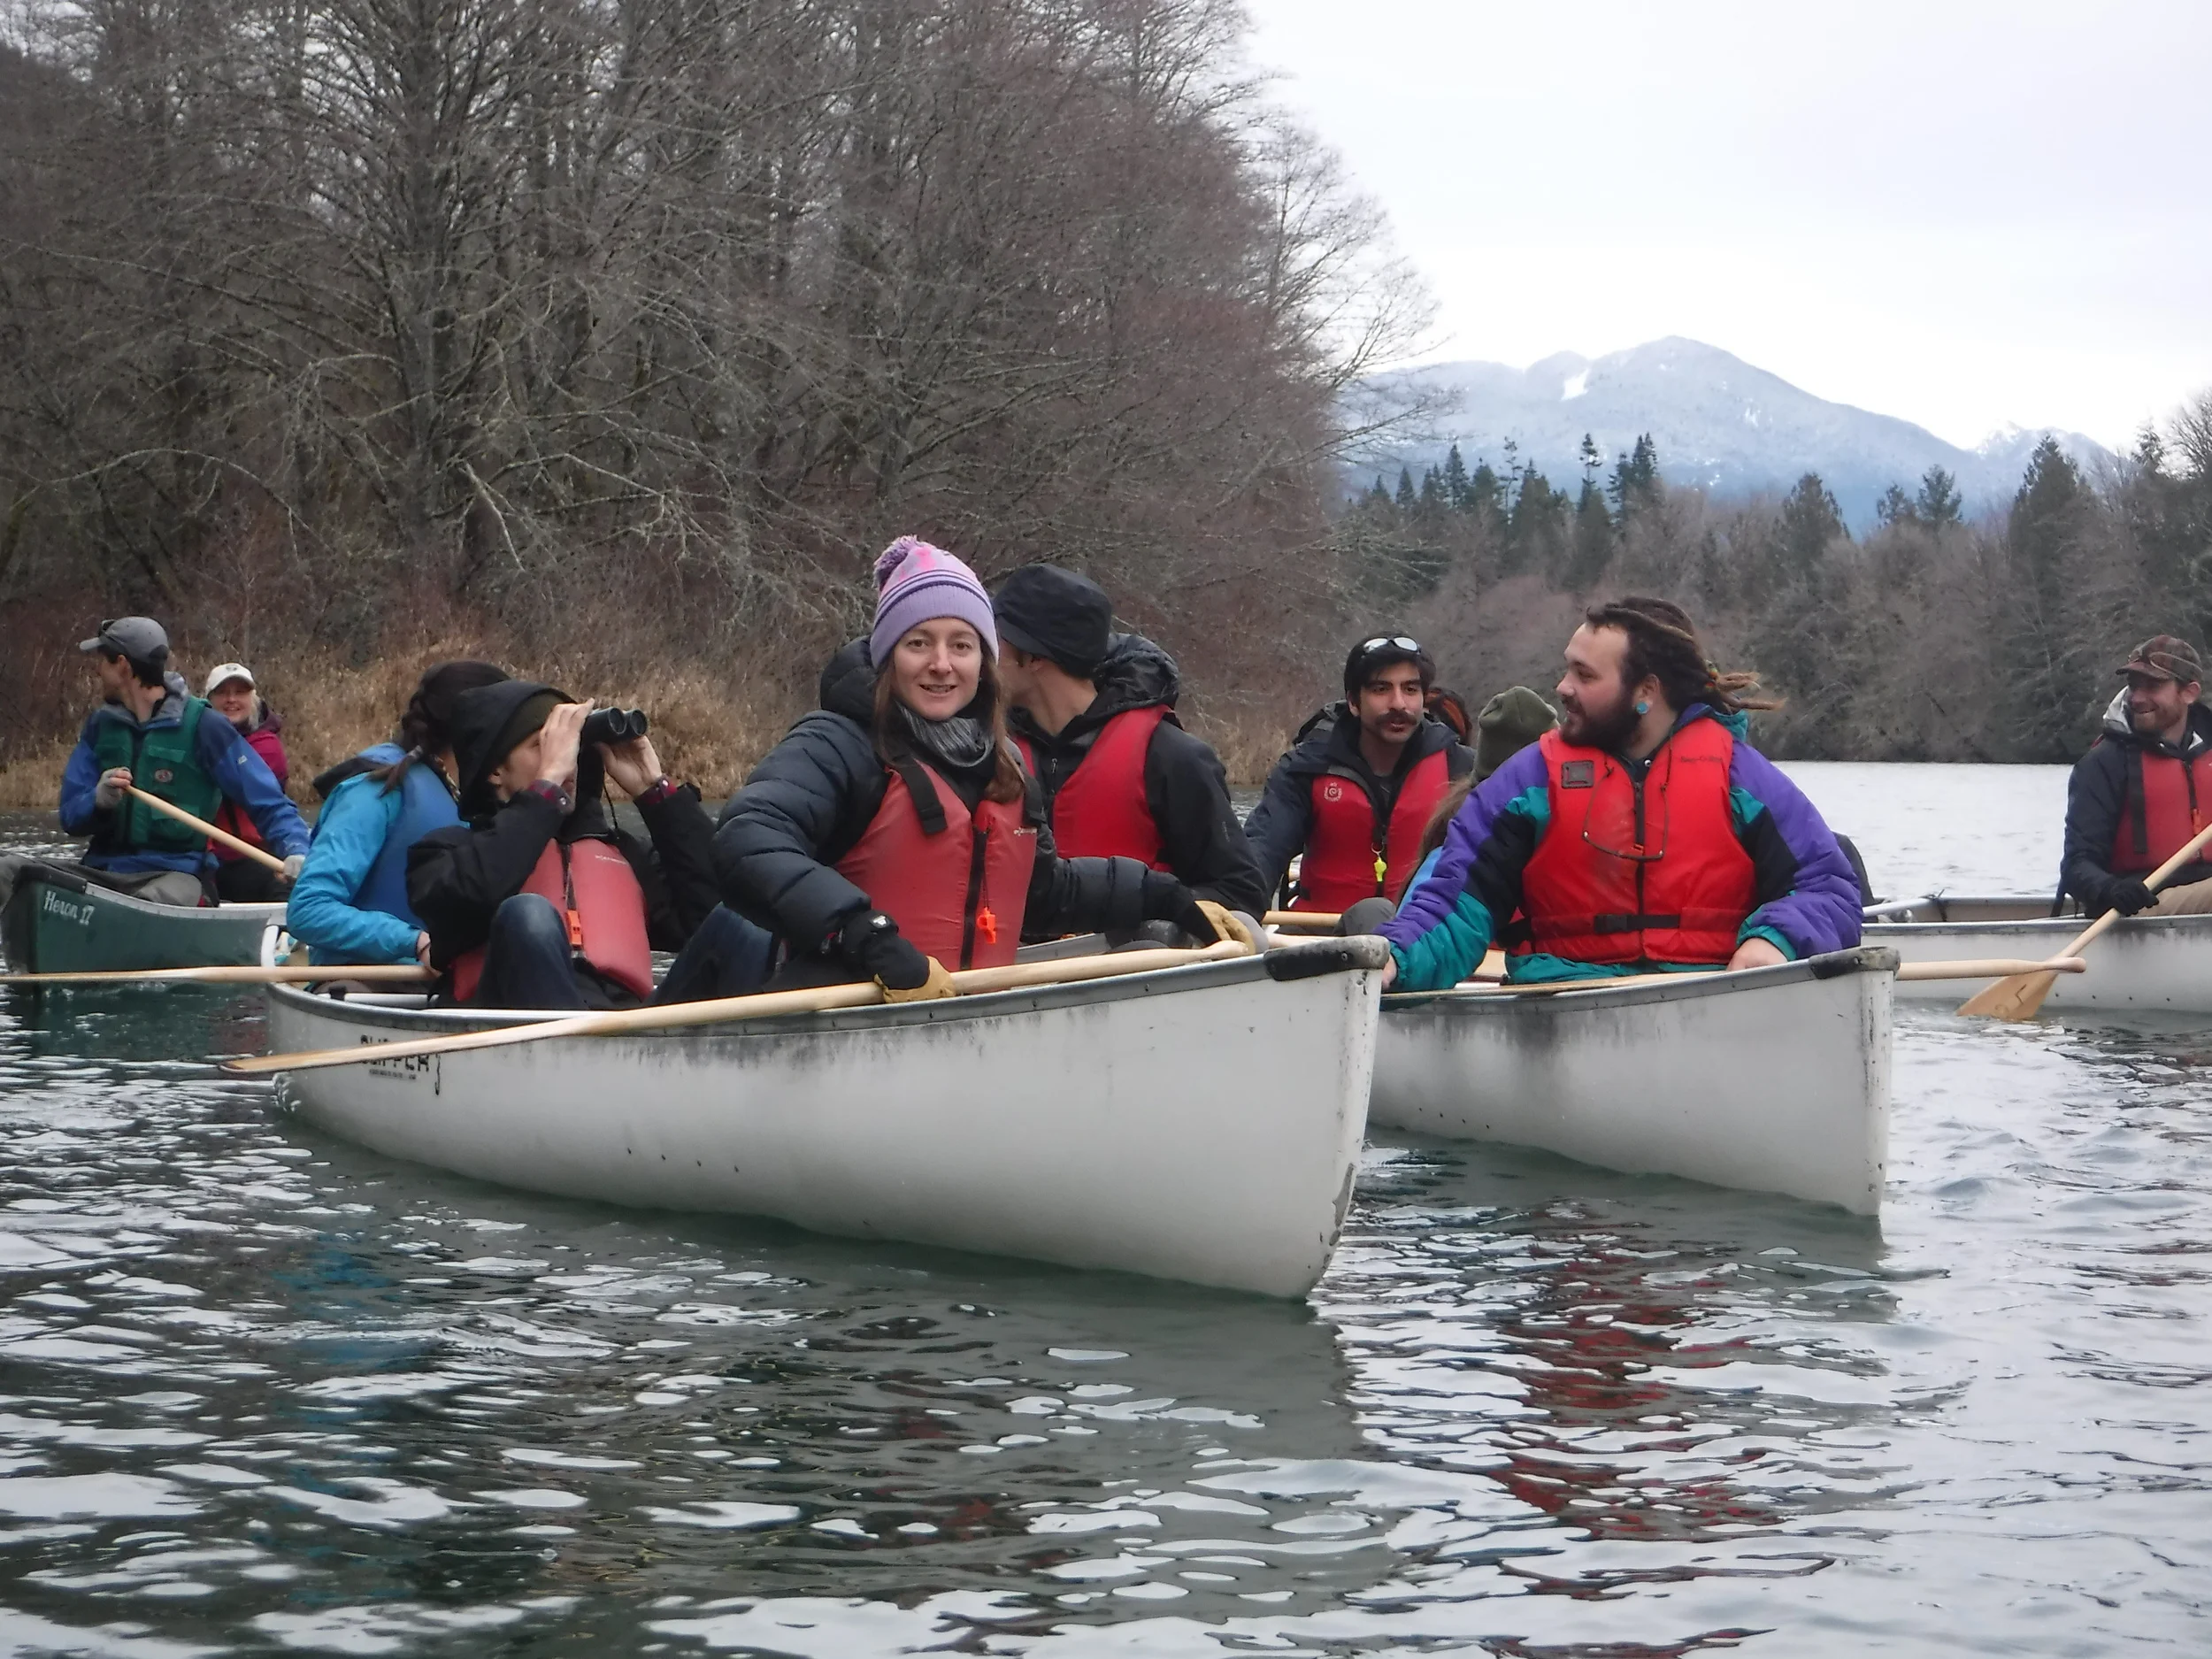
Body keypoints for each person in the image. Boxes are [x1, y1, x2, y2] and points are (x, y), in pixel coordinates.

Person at [714, 536, 1235, 998]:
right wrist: (865, 934)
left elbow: (1044, 892)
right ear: (887, 655)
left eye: (961, 645)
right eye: (918, 643)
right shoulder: (837, 743)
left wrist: (1165, 895)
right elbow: (748, 839)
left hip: (965, 1018)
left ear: (982, 663)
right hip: (851, 1019)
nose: (941, 664)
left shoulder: (1001, 762)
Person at [1381, 597, 1862, 990]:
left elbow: (1827, 889)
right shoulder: (1527, 783)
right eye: (1568, 670)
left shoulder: (1743, 777)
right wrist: (1395, 959)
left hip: (1710, 993)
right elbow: (1451, 902)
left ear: (1645, 691)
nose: (1562, 688)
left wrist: (1775, 941)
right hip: (1562, 998)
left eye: (1584, 676)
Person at [406, 680, 768, 1009]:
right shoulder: (444, 853)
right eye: (543, 747)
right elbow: (476, 890)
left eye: (571, 749)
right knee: (528, 915)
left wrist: (658, 796)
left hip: (630, 1037)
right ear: (495, 770)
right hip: (521, 1039)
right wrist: (546, 788)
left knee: (742, 918)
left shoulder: (623, 855)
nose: (568, 762)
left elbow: (710, 908)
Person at [992, 563, 1266, 918]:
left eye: (994, 640)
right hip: (1013, 968)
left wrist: (1157, 911)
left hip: (1130, 964)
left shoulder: (1172, 756)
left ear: (1033, 658)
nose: (979, 656)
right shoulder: (990, 749)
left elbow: (1242, 894)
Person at [53, 618, 308, 906]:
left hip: (177, 874)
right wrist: (97, 800)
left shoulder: (204, 726)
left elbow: (270, 802)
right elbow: (70, 817)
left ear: (122, 665)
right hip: (104, 870)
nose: (98, 670)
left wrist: (296, 848)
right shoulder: (100, 726)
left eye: (103, 661)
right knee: (10, 871)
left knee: (145, 902)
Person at [285, 660, 510, 967]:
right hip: (369, 982)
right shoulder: (374, 791)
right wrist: (414, 942)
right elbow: (309, 909)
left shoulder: (484, 796)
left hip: (452, 984)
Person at [1243, 634, 1475, 913]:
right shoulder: (1306, 766)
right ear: (1354, 702)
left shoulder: (1460, 767)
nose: (1399, 704)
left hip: (1418, 937)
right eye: (1381, 689)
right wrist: (1239, 905)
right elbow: (1263, 849)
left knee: (1376, 916)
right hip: (1319, 939)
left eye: (1410, 689)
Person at [2060, 634, 2212, 918]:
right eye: (2133, 686)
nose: (2138, 698)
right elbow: (2076, 866)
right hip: (2140, 908)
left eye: (2153, 686)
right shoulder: (2104, 763)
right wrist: (2110, 889)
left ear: (2189, 693)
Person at [203, 663, 292, 903]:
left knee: (283, 885)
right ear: (208, 701)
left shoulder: (267, 746)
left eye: (240, 693)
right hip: (208, 858)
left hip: (255, 856)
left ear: (253, 699)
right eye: (222, 693)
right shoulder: (196, 742)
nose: (231, 700)